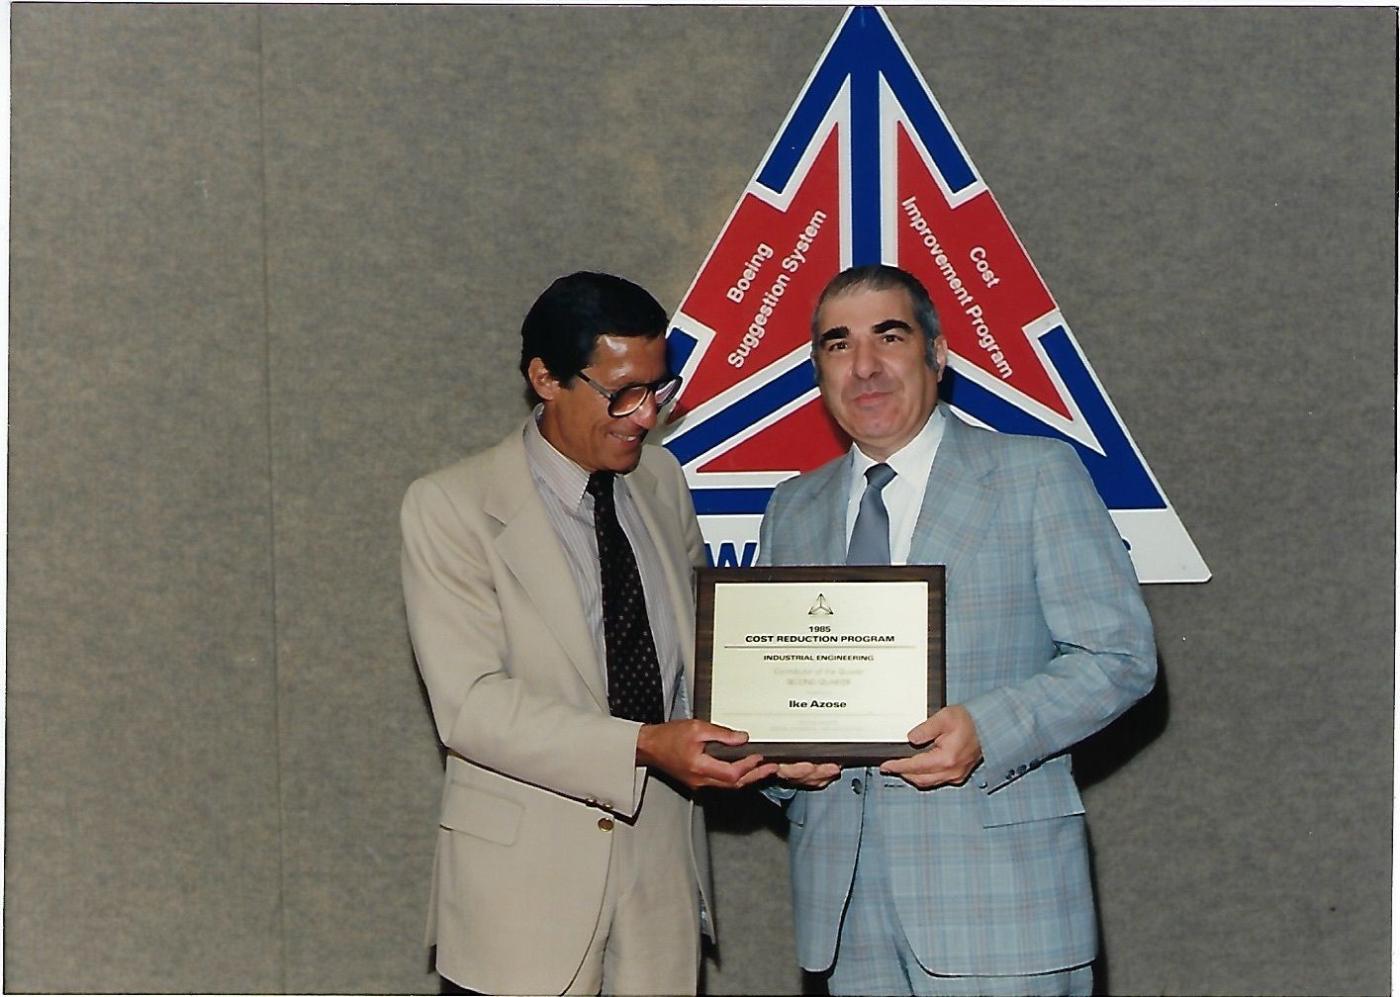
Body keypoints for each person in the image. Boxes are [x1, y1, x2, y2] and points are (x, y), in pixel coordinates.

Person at [758, 264, 1157, 996]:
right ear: (818, 369)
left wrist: (987, 728)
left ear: (937, 355)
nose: (866, 366)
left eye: (890, 335)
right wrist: (781, 764)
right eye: (838, 345)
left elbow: (1120, 655)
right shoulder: (793, 508)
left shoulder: (1035, 473)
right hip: (844, 917)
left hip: (1001, 903)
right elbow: (773, 695)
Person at [401, 271, 776, 996]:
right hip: (521, 900)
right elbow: (471, 707)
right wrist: (641, 744)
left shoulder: (663, 482)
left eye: (657, 390)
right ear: (545, 377)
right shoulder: (451, 506)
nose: (644, 415)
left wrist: (792, 738)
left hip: (658, 887)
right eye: (621, 393)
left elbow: (708, 658)